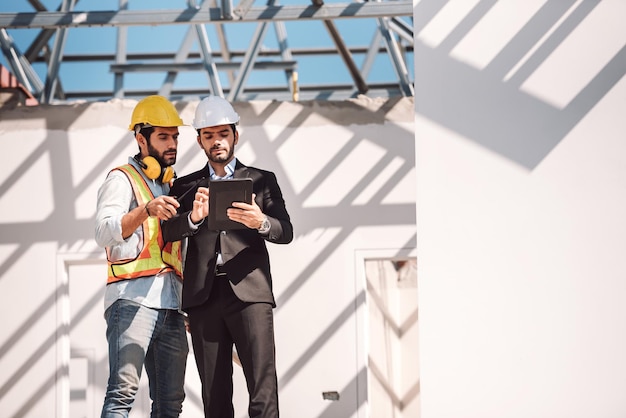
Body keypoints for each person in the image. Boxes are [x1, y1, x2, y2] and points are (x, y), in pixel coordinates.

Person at [162, 95, 293, 418]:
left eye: (223, 133)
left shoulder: (262, 180)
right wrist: (193, 218)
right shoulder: (185, 186)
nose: (216, 141)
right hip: (204, 299)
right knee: (215, 398)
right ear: (199, 141)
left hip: (251, 295)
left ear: (235, 134)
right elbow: (167, 232)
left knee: (262, 392)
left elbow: (285, 231)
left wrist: (260, 222)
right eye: (208, 135)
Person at [95, 95, 189, 418]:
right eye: (163, 136)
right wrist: (145, 210)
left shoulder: (172, 186)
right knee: (122, 395)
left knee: (170, 406)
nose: (172, 143)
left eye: (175, 136)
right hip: (132, 300)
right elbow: (104, 232)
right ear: (141, 139)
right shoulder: (122, 178)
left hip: (172, 308)